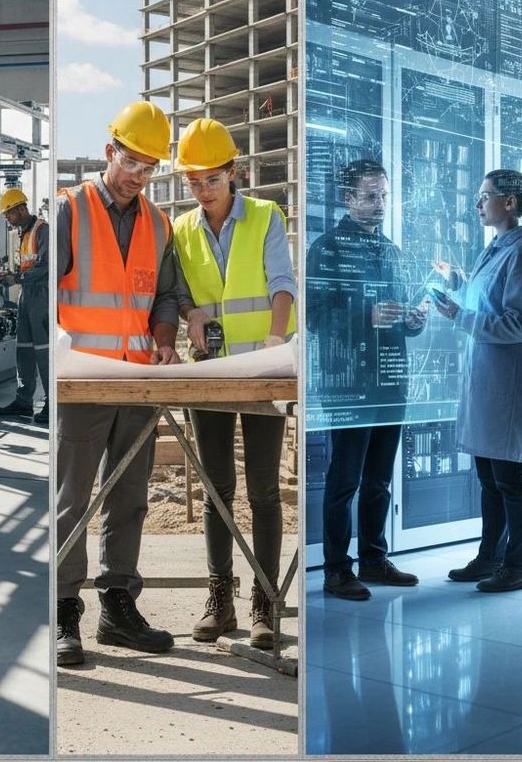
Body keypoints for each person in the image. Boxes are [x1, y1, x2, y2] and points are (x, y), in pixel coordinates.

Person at [56, 100, 179, 667]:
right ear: (110, 152)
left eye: (149, 167)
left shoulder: (158, 223)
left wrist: (165, 337)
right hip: (83, 380)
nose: (138, 175)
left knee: (129, 496)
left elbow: (165, 297)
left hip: (138, 380)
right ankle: (62, 609)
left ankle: (117, 607)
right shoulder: (70, 210)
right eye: (131, 162)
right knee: (71, 498)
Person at [172, 118, 297, 649]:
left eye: (212, 179)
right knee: (217, 488)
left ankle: (265, 601)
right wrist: (191, 314)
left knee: (264, 489)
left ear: (233, 172)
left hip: (263, 370)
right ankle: (219, 598)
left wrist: (275, 339)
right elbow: (179, 292)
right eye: (194, 181)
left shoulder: (265, 216)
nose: (203, 190)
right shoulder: (181, 228)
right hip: (209, 370)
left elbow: (283, 283)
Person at [307, 159, 427, 600]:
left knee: (379, 479)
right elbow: (315, 318)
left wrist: (413, 321)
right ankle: (337, 570)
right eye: (370, 196)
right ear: (348, 198)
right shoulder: (327, 248)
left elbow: (403, 315)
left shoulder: (392, 252)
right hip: (348, 383)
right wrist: (366, 315)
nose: (379, 204)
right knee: (345, 480)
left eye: (384, 196)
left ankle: (374, 560)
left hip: (390, 379)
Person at [433, 169, 522, 592]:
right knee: (488, 479)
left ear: (509, 202)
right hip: (486, 383)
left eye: (485, 197)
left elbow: (518, 324)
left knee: (509, 480)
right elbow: (487, 300)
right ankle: (489, 558)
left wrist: (459, 316)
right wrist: (457, 282)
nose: (478, 204)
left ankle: (519, 567)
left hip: (508, 387)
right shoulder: (495, 250)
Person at [0, 188, 49, 426]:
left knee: (44, 351)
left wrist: (17, 278)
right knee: (24, 349)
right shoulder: (22, 233)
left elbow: (46, 266)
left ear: (21, 209)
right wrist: (10, 274)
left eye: (8, 213)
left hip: (42, 296)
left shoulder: (42, 230)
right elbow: (28, 265)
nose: (7, 218)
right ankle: (24, 400)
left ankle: (51, 402)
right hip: (26, 296)